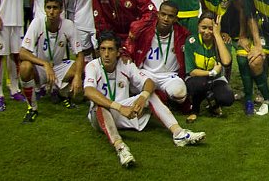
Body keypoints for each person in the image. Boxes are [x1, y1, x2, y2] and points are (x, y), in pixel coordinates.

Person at [83, 32, 205, 168]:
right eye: (103, 49)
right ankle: (121, 148)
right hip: (102, 116)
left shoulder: (126, 64)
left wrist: (143, 97)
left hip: (125, 112)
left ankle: (178, 133)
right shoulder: (92, 66)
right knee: (100, 106)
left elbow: (149, 82)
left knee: (150, 95)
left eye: (110, 49)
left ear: (118, 52)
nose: (106, 54)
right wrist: (119, 107)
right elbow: (89, 91)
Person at [17, 0, 84, 122]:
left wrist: (77, 77)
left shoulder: (68, 25)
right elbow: (22, 52)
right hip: (41, 68)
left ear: (61, 9)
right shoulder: (37, 23)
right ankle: (32, 108)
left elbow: (80, 54)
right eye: (48, 8)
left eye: (55, 8)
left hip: (58, 66)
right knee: (25, 67)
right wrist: (45, 64)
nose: (51, 12)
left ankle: (62, 93)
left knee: (82, 71)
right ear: (44, 8)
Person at [125, 0, 190, 108]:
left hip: (169, 76)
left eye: (170, 16)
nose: (166, 19)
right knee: (131, 86)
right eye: (163, 14)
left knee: (180, 94)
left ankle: (155, 96)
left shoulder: (182, 34)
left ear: (175, 18)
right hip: (147, 73)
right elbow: (129, 46)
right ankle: (160, 97)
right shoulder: (145, 31)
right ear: (158, 14)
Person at [195, 0, 242, 99]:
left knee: (245, 60)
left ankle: (251, 92)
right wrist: (217, 31)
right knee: (222, 57)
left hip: (238, 27)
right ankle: (224, 86)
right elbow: (206, 11)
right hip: (220, 28)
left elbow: (242, 10)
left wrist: (243, 35)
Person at [183, 11, 235, 121]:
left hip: (215, 80)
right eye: (203, 27)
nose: (206, 32)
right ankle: (195, 110)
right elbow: (191, 71)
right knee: (200, 84)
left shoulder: (222, 40)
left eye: (211, 28)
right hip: (196, 79)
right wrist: (212, 72)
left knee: (227, 98)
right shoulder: (191, 41)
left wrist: (217, 35)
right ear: (198, 26)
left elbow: (226, 61)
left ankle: (213, 104)